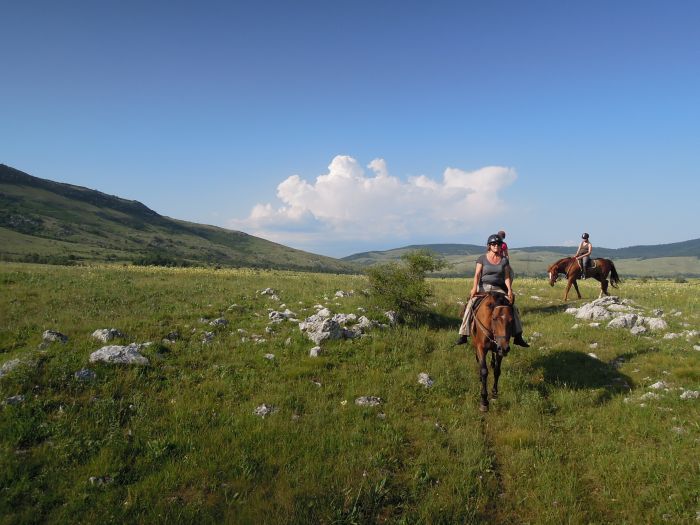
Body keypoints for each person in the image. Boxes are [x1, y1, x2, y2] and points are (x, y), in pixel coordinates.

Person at [455, 234, 529, 347]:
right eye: (493, 244)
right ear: (489, 246)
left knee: (513, 308)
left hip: (498, 288)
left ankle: (518, 336)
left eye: (498, 244)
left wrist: (509, 290)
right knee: (470, 305)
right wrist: (474, 288)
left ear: (501, 246)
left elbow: (507, 277)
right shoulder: (482, 258)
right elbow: (477, 274)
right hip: (483, 287)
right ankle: (464, 334)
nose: (496, 246)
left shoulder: (504, 260)